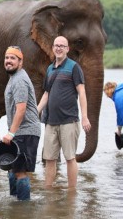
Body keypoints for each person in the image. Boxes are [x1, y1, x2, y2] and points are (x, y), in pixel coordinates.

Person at [37, 36, 91, 188]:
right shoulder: (50, 68)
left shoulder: (74, 67)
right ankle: (48, 191)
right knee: (49, 158)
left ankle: (72, 193)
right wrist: (36, 111)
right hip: (50, 123)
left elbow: (82, 92)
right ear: (53, 48)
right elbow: (46, 94)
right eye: (56, 45)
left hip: (69, 121)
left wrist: (85, 117)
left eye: (62, 45)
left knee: (70, 158)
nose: (59, 48)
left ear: (67, 49)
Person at [2, 46, 41, 201]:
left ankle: (23, 209)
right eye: (7, 58)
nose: (8, 61)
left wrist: (11, 133)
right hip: (20, 131)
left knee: (20, 171)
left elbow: (21, 109)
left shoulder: (19, 80)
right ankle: (15, 204)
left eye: (13, 58)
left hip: (26, 132)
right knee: (12, 169)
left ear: (20, 62)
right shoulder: (14, 78)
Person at [103, 82, 123, 148]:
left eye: (107, 95)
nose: (108, 97)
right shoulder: (120, 89)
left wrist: (119, 131)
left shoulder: (118, 98)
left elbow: (120, 116)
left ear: (108, 92)